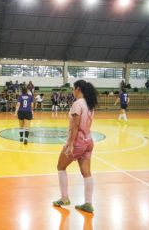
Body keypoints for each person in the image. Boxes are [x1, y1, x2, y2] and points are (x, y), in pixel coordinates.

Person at [52, 80, 98, 213]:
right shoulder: (90, 104)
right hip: (89, 141)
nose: (73, 91)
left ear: (78, 89)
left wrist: (70, 144)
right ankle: (88, 204)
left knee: (60, 167)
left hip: (78, 142)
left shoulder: (78, 104)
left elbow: (75, 126)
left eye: (73, 88)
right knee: (86, 172)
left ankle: (64, 198)